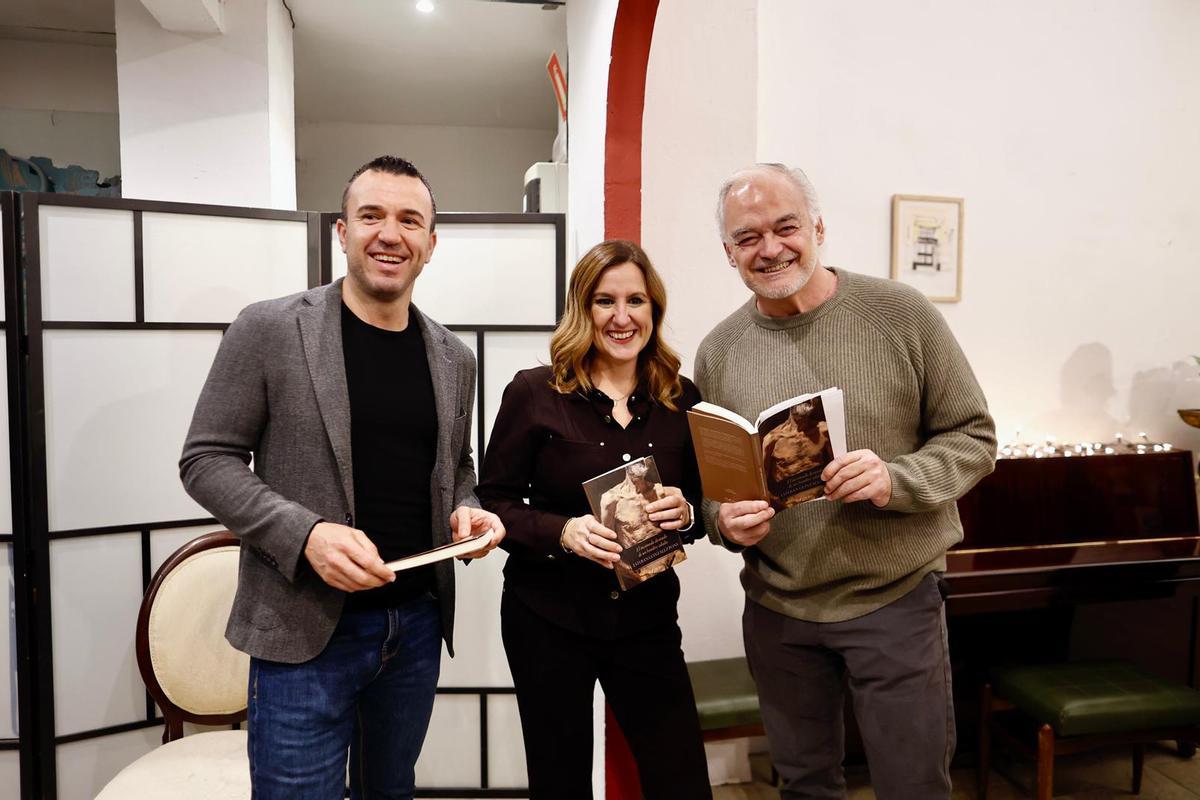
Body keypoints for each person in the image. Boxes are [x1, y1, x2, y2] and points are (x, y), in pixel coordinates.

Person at [179, 155, 505, 800]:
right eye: (372, 216)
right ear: (342, 231)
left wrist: (467, 508)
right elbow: (206, 460)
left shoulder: (453, 357)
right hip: (304, 630)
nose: (391, 233)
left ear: (431, 244)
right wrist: (306, 536)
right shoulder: (270, 329)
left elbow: (455, 466)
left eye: (410, 220)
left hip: (412, 626)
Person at [696, 163, 996, 799]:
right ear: (729, 253)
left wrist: (896, 479)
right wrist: (723, 521)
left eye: (786, 227)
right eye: (748, 237)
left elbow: (974, 438)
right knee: (804, 786)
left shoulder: (901, 314)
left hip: (895, 600)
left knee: (913, 785)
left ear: (818, 227)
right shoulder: (719, 351)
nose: (770, 248)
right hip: (779, 611)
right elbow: (712, 486)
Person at [477, 240, 712, 799]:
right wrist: (562, 532)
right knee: (560, 782)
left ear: (654, 310)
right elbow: (495, 500)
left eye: (636, 301)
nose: (622, 316)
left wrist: (687, 513)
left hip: (647, 619)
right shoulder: (533, 393)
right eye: (605, 301)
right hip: (548, 621)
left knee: (681, 780)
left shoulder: (684, 401)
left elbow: (703, 510)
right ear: (583, 310)